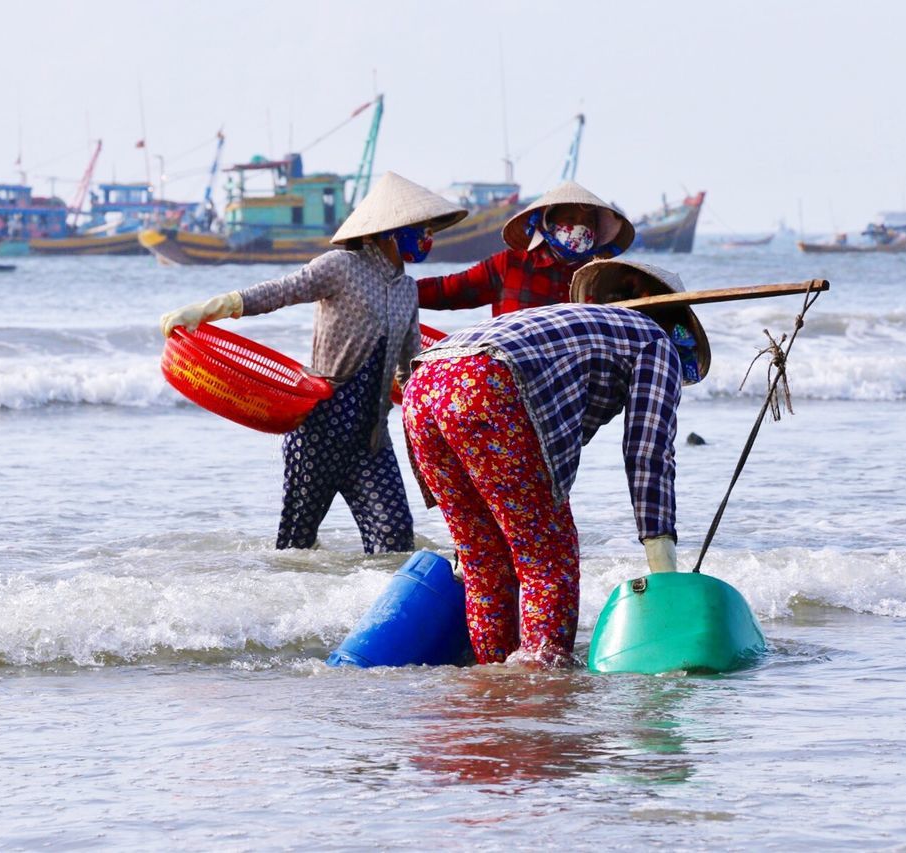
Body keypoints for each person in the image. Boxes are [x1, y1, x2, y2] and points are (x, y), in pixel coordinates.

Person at [401, 258, 710, 667]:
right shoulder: (654, 341)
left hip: (423, 384)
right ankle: (542, 679)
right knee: (547, 555)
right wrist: (664, 571)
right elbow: (648, 453)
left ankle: (492, 678)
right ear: (675, 324)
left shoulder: (575, 323)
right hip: (485, 383)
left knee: (483, 560)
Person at [159, 173, 467, 554]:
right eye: (420, 229)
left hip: (371, 439)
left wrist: (441, 414)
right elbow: (283, 291)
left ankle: (363, 603)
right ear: (392, 231)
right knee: (296, 547)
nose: (427, 238)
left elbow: (410, 371)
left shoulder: (406, 290)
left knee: (394, 540)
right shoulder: (341, 266)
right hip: (320, 428)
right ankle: (291, 607)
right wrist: (212, 309)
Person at [417, 180, 634, 316]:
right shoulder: (509, 265)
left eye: (589, 222)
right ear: (547, 224)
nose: (580, 227)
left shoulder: (598, 279)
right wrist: (397, 292)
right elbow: (449, 290)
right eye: (570, 218)